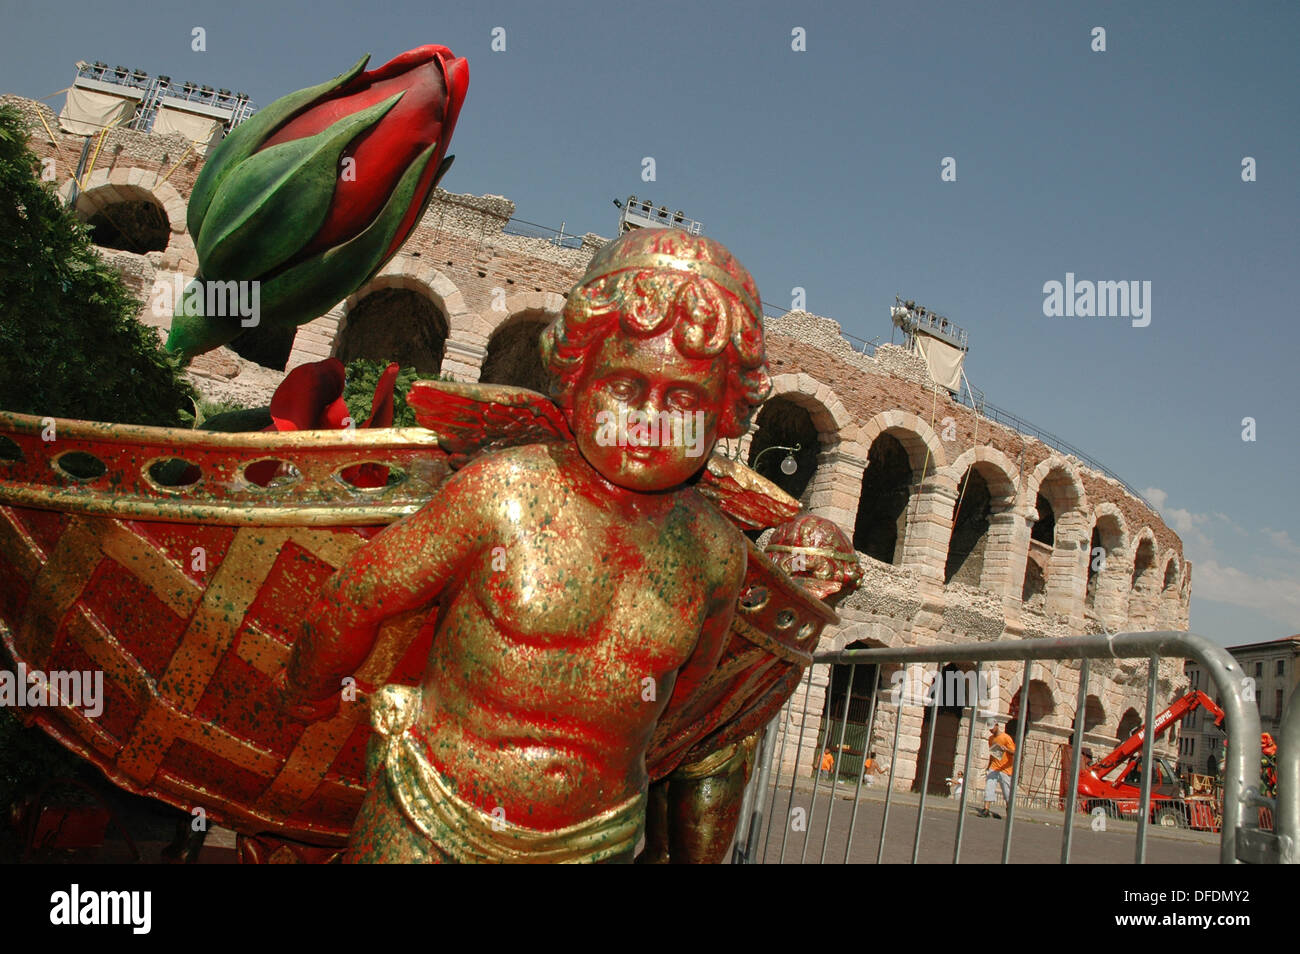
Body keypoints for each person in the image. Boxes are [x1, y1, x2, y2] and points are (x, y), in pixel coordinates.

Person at [280, 228, 773, 863]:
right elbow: (358, 598)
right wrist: (306, 693)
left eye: (683, 399)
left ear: (726, 413)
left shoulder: (715, 553)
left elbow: (685, 686)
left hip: (598, 837)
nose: (648, 421)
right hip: (434, 813)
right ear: (577, 376)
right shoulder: (502, 492)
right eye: (624, 386)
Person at [978, 723, 1015, 818]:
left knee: (1007, 792)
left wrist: (1006, 749)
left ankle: (1009, 810)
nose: (991, 730)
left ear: (997, 725)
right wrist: (988, 765)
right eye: (989, 729)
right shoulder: (991, 739)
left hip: (1005, 769)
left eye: (992, 728)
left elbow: (1014, 752)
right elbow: (992, 753)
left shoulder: (1006, 737)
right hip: (994, 767)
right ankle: (986, 809)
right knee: (989, 787)